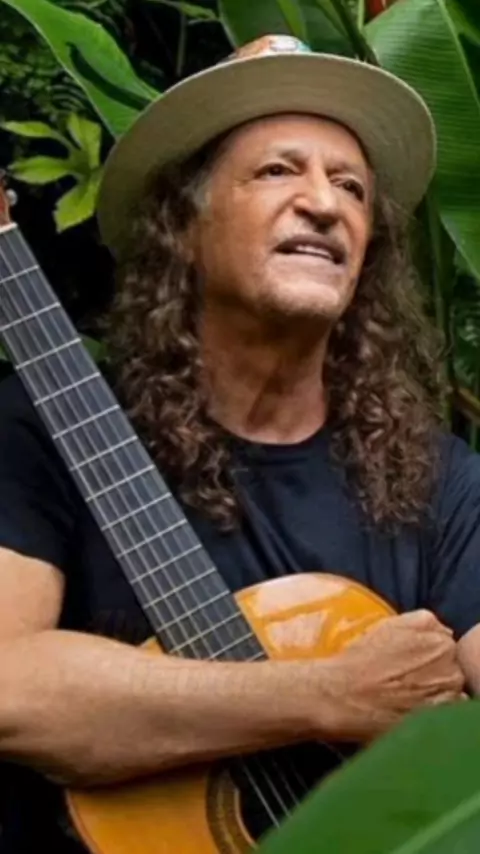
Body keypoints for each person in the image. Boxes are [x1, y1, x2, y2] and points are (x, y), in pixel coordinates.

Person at [0, 34, 479, 853]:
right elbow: (11, 693)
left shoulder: (438, 476)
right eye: (278, 171)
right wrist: (325, 695)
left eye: (352, 187)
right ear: (184, 229)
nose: (324, 203)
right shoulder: (44, 425)